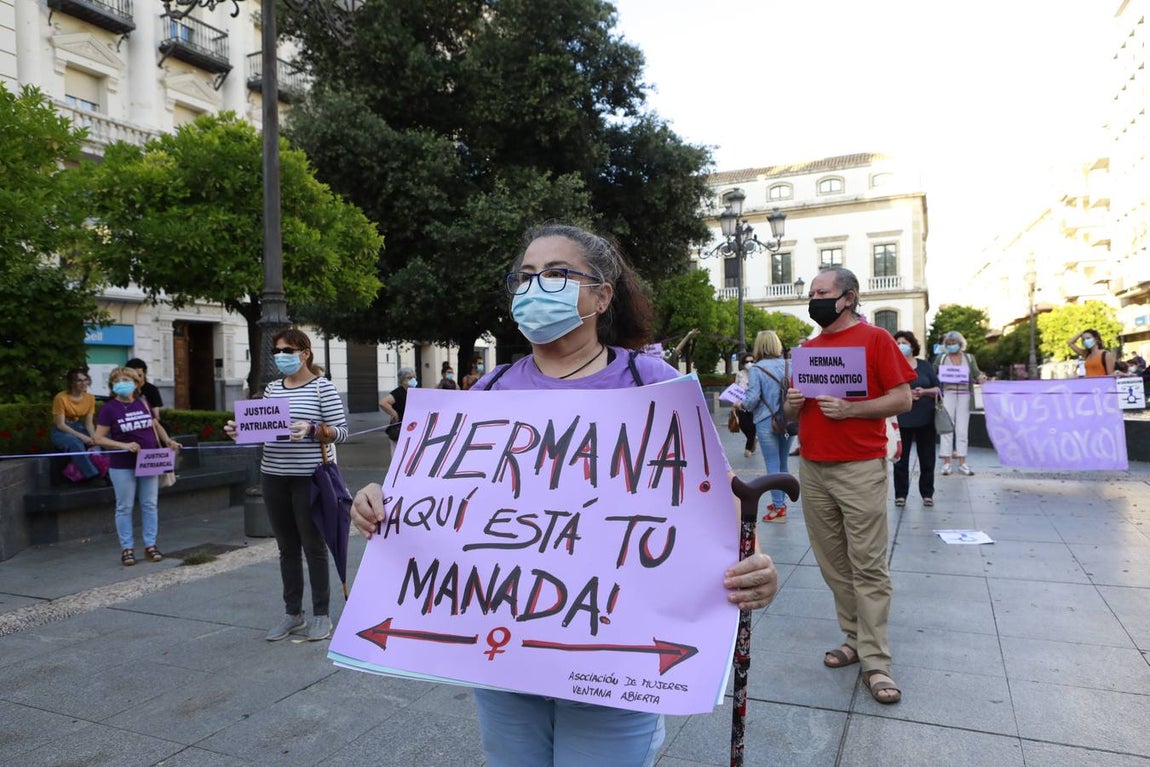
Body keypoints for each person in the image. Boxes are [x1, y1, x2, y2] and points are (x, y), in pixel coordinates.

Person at [350, 224, 778, 766]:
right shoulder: (490, 388)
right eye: (525, 277)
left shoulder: (650, 381)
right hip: (502, 653)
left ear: (602, 296)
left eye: (556, 274)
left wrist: (752, 565)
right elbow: (442, 499)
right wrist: (381, 502)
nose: (535, 288)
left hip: (614, 663)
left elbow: (706, 505)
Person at [782, 267, 914, 705]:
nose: (813, 298)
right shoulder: (809, 349)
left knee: (868, 565)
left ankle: (877, 661)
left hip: (859, 467)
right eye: (811, 292)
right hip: (814, 469)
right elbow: (788, 418)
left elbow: (903, 398)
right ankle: (853, 639)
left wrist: (853, 411)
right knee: (834, 564)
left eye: (822, 292)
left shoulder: (876, 340)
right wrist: (791, 404)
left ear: (848, 298)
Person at [224, 329, 348, 642]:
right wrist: (240, 432)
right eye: (277, 350)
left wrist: (312, 429)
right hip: (274, 476)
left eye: (288, 350)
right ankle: (293, 614)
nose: (281, 356)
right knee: (286, 547)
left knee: (313, 545)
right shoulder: (271, 390)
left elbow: (342, 432)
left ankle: (321, 614)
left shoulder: (323, 388)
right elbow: (263, 431)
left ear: (305, 353)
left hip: (310, 478)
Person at [93, 367, 181, 566]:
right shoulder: (109, 408)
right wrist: (123, 445)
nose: (121, 383)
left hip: (149, 460)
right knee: (124, 506)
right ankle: (127, 548)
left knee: (150, 504)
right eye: (117, 380)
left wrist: (168, 441)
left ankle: (151, 545)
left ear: (135, 384)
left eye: (126, 379)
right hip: (122, 464)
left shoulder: (142, 403)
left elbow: (155, 424)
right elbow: (98, 438)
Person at [741, 330, 793, 521]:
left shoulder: (756, 369)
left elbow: (752, 399)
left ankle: (779, 507)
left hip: (765, 421)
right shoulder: (790, 365)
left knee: (772, 464)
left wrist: (741, 403)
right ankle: (780, 501)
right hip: (788, 420)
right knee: (783, 462)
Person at [891, 330, 941, 507]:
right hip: (902, 418)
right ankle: (900, 495)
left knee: (927, 458)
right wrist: (906, 395)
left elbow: (938, 389)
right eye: (897, 343)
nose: (900, 346)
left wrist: (924, 392)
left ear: (912, 345)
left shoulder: (925, 366)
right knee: (900, 460)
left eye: (904, 342)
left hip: (926, 419)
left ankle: (927, 493)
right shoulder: (892, 365)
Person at [933, 330, 987, 476]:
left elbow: (976, 374)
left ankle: (963, 463)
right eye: (949, 344)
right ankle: (947, 463)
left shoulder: (969, 358)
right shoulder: (941, 358)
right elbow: (933, 375)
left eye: (954, 343)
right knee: (947, 427)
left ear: (960, 344)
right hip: (948, 394)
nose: (951, 346)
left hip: (965, 396)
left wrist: (982, 378)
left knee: (962, 430)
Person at [50, 368, 102, 483]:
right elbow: (61, 425)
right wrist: (82, 437)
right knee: (75, 442)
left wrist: (94, 438)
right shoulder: (61, 398)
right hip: (61, 430)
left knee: (103, 438)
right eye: (79, 380)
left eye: (85, 380)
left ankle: (106, 470)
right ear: (71, 383)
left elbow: (89, 423)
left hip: (78, 426)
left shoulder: (90, 398)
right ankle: (92, 475)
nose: (83, 383)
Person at [379, 367, 417, 440]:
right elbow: (383, 402)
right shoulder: (398, 392)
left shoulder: (413, 391)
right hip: (399, 429)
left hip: (411, 427)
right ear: (402, 380)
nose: (412, 379)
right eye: (409, 378)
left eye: (413, 377)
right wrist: (394, 413)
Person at [733, 353, 757, 458]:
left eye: (751, 361)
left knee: (752, 427)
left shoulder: (757, 373)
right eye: (747, 362)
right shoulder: (740, 374)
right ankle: (753, 440)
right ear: (743, 363)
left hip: (754, 405)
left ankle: (748, 449)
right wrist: (734, 403)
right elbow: (735, 388)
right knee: (743, 425)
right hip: (741, 405)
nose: (749, 364)